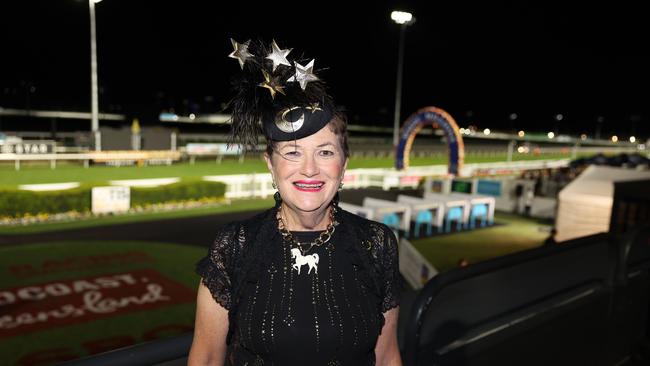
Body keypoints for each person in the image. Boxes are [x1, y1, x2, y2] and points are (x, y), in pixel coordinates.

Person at [188, 39, 402, 366]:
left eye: (325, 152)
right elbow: (205, 358)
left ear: (343, 166)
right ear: (270, 164)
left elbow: (387, 356)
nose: (310, 169)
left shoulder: (378, 243)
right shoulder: (233, 246)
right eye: (292, 152)